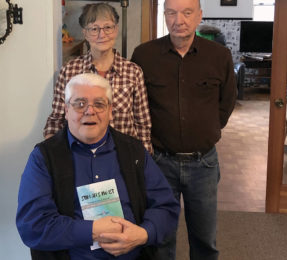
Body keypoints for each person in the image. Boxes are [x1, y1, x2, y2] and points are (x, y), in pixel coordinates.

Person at [17, 73, 179, 260]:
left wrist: (143, 234)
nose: (90, 111)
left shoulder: (133, 151)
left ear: (110, 111)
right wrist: (94, 230)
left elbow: (166, 207)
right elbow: (33, 225)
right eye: (80, 103)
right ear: (66, 110)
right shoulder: (44, 158)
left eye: (99, 104)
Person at [131, 0, 237, 260]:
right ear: (164, 16)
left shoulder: (219, 56)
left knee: (204, 240)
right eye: (171, 12)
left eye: (187, 12)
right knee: (160, 239)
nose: (179, 20)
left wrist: (205, 131)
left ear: (199, 15)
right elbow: (135, 105)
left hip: (203, 164)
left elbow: (226, 104)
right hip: (159, 162)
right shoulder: (144, 55)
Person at [44, 3, 153, 153]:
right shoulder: (69, 71)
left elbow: (142, 125)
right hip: (79, 157)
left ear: (116, 30)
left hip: (123, 158)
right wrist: (53, 157)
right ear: (85, 33)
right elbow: (56, 120)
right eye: (94, 29)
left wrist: (143, 164)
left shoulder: (133, 72)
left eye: (108, 27)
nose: (102, 35)